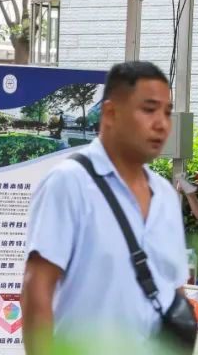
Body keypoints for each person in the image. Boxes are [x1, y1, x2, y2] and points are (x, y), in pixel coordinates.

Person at [22, 62, 189, 351]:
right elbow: (36, 291)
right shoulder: (69, 183)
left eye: (167, 112)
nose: (162, 123)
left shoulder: (165, 194)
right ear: (111, 113)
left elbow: (174, 290)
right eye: (149, 109)